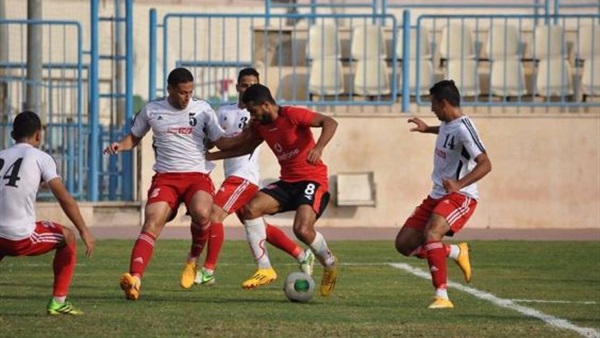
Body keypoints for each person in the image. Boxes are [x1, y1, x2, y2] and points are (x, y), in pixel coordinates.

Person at [181, 68, 315, 288]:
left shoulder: (259, 117)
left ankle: (208, 271)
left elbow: (245, 145)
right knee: (257, 224)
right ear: (237, 87)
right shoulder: (223, 112)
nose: (248, 89)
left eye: (253, 85)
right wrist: (202, 150)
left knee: (214, 214)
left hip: (244, 177)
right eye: (244, 85)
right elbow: (216, 139)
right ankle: (301, 255)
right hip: (233, 175)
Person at [104, 67, 227, 301]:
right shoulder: (152, 109)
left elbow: (219, 140)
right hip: (166, 178)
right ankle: (135, 279)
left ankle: (192, 259)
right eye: (182, 93)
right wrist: (120, 145)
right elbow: (134, 137)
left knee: (202, 213)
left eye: (190, 92)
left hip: (196, 176)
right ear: (169, 89)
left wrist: (243, 140)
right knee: (151, 222)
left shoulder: (203, 109)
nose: (186, 97)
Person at [207, 83, 339, 296]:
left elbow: (330, 122)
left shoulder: (292, 115)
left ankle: (330, 263)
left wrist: (318, 148)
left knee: (302, 230)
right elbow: (245, 148)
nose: (251, 115)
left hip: (312, 181)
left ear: (266, 105)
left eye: (252, 110)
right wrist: (211, 156)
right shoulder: (260, 126)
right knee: (251, 209)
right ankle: (265, 268)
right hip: (287, 182)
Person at [394, 79, 492, 309]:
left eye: (434, 104)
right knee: (404, 244)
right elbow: (448, 131)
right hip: (438, 194)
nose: (431, 109)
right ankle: (455, 252)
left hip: (461, 195)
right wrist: (427, 129)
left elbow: (486, 164)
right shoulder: (449, 123)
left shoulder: (465, 129)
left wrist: (459, 184)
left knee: (431, 233)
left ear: (445, 104)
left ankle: (442, 297)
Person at [0, 111, 96, 315]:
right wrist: (84, 230)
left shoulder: (1, 156)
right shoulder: (41, 158)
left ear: (11, 134)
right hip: (20, 237)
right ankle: (59, 302)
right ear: (39, 135)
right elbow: (64, 198)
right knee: (67, 237)